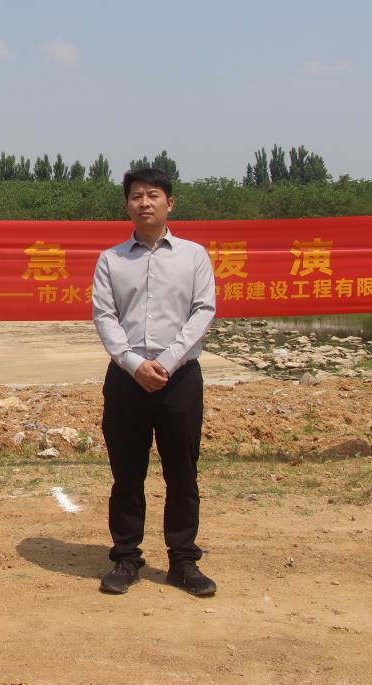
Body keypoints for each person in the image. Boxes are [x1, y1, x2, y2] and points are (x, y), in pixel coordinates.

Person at [92, 168, 217, 597]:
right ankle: (126, 558)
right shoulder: (111, 259)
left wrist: (164, 361)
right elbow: (104, 317)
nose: (144, 203)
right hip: (127, 380)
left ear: (170, 203)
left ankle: (183, 561)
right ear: (126, 205)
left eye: (153, 195)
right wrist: (132, 363)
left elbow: (203, 311)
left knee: (182, 472)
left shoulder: (194, 256)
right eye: (136, 196)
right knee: (127, 473)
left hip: (179, 378)